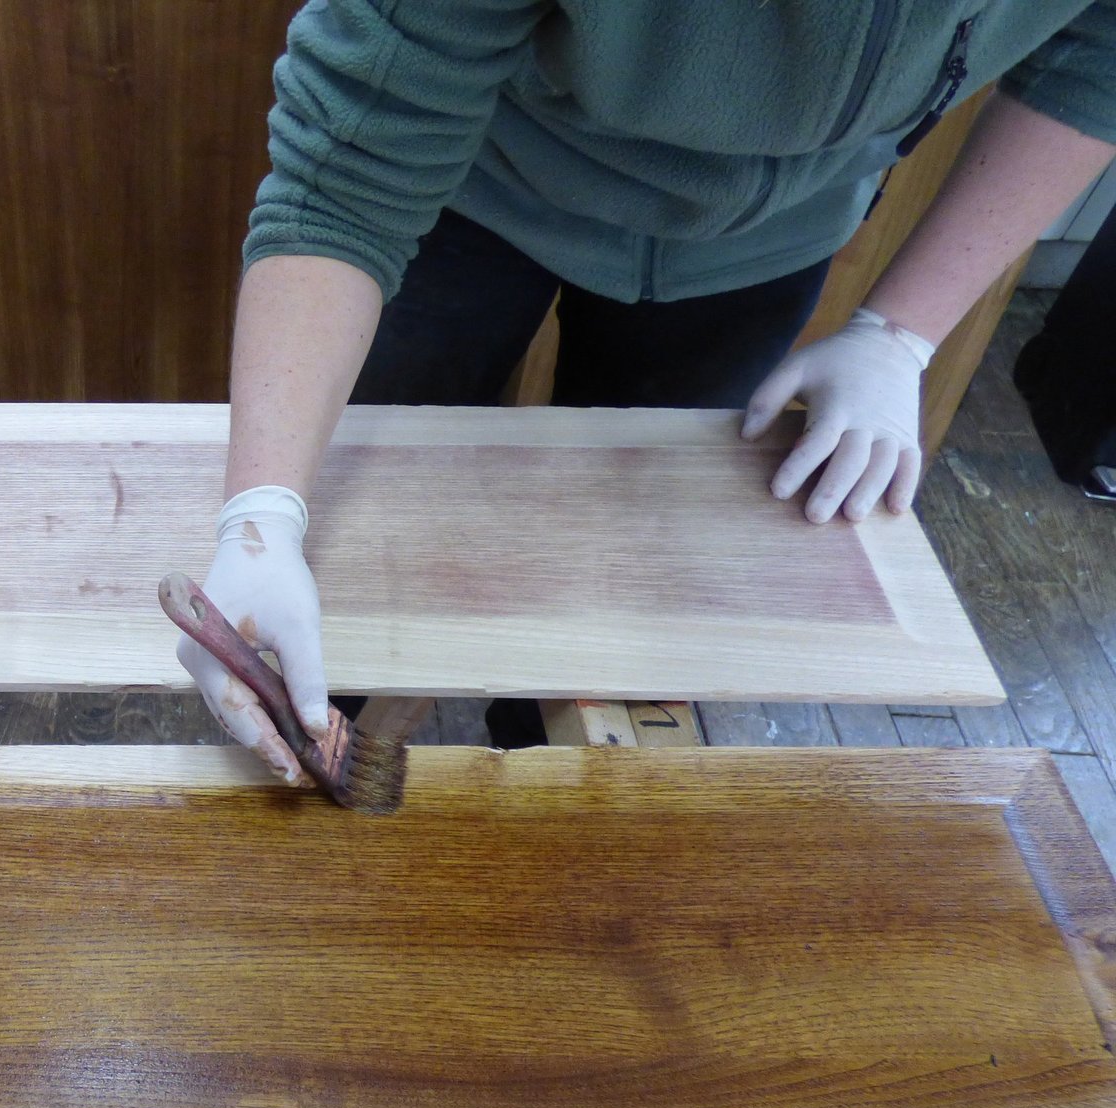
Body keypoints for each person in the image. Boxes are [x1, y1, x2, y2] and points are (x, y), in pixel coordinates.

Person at [180, 2, 1116, 787]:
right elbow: (345, 181)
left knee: (617, 620)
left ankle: (549, 789)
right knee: (354, 547)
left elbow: (1099, 51)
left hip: (770, 237)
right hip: (476, 180)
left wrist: (901, 333)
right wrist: (262, 512)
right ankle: (307, 734)